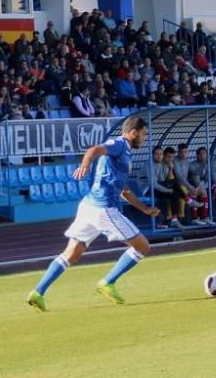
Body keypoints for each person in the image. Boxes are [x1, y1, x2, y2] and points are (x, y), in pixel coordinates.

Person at [27, 116, 159, 312]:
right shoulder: (119, 144)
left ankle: (37, 292)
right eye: (143, 134)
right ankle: (108, 282)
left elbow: (124, 190)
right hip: (103, 209)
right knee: (142, 246)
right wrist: (85, 165)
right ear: (133, 132)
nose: (145, 138)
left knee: (72, 254)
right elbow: (94, 150)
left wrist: (144, 209)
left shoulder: (126, 154)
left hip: (88, 207)